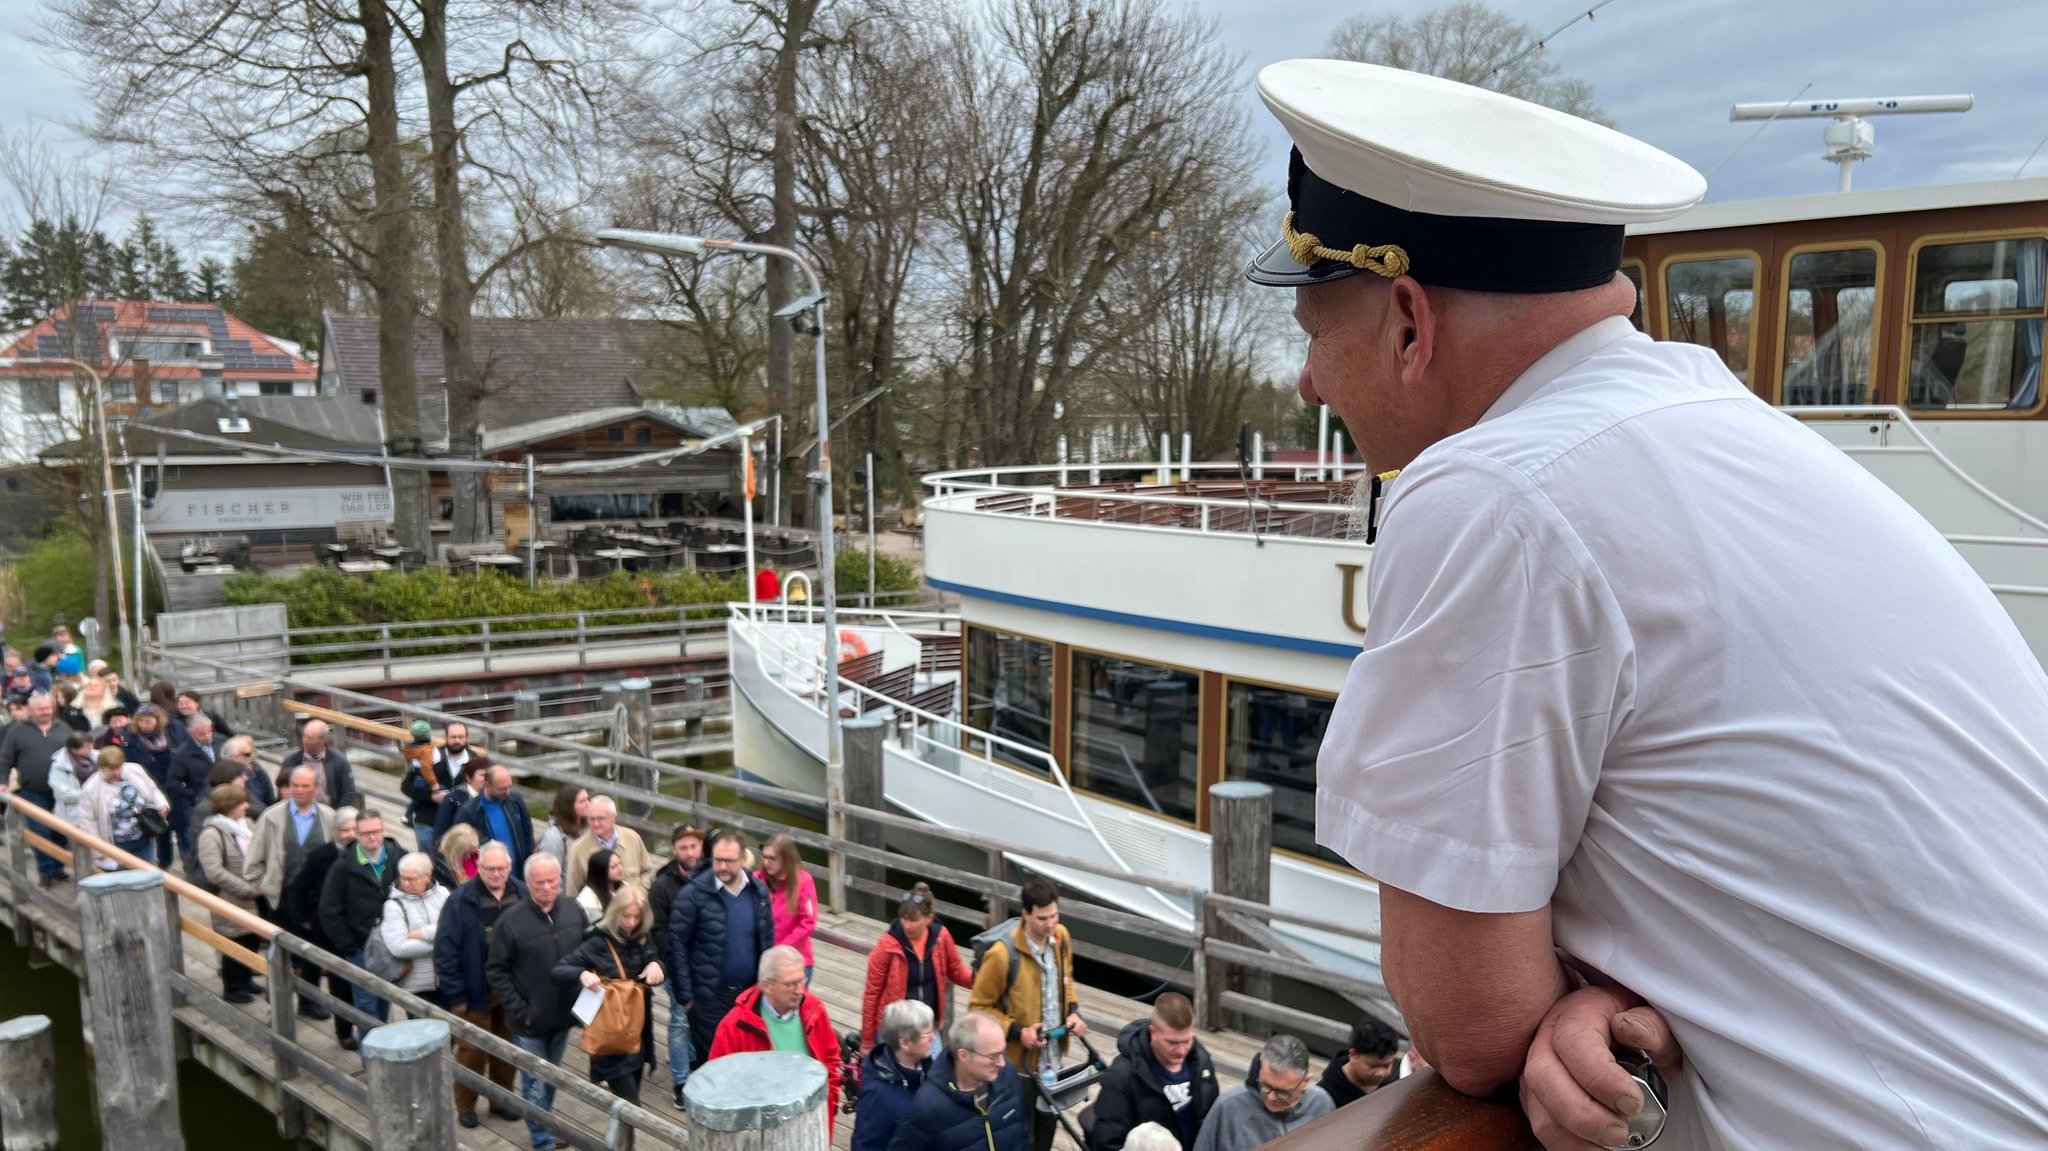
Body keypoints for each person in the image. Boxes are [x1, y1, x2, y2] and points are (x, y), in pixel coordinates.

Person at [1256, 59, 2048, 1151]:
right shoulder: (1727, 427)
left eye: (1309, 328)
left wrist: (1561, 995)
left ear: (1406, 319)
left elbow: (1469, 1029)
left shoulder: (1488, 493)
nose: (1307, 383)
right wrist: (1596, 984)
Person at [969, 876, 1085, 1151]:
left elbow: (1066, 979)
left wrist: (1073, 1012)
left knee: (1046, 1134)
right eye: (1043, 918)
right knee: (1019, 1140)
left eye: (1054, 916)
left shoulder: (1062, 938)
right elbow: (978, 1008)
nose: (1050, 924)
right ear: (1025, 914)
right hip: (1017, 1069)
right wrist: (1019, 1032)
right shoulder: (1001, 955)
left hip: (1052, 1061)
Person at [487, 853, 587, 1151]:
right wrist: (521, 1010)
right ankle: (542, 1140)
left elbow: (587, 950)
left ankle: (544, 1124)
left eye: (552, 880)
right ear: (528, 883)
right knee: (534, 1082)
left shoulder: (573, 909)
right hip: (530, 1021)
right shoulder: (510, 922)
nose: (547, 887)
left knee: (551, 1077)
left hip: (564, 1016)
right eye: (539, 882)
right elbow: (496, 971)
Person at [667, 828, 773, 1074]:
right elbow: (676, 945)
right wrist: (687, 999)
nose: (723, 866)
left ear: (742, 858)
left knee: (751, 1063)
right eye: (718, 860)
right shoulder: (691, 895)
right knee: (714, 1067)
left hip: (750, 995)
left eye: (729, 861)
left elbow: (768, 941)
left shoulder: (758, 892)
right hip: (708, 999)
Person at [435, 841, 525, 1130]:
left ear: (510, 867)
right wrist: (455, 993)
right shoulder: (460, 900)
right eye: (490, 868)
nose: (497, 874)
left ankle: (501, 1100)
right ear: (479, 867)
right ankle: (465, 1105)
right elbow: (445, 950)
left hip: (511, 991)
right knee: (471, 1051)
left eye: (502, 868)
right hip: (474, 990)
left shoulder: (523, 894)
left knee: (506, 1048)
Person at [552, 885, 665, 1103]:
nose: (631, 923)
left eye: (636, 917)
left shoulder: (642, 937)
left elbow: (654, 956)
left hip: (637, 1034)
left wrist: (656, 964)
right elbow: (558, 970)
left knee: (624, 1109)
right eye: (626, 916)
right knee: (631, 1106)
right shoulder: (597, 942)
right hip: (610, 1037)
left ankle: (619, 1138)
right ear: (616, 913)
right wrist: (582, 973)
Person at [707, 945, 842, 1122]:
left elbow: (831, 1058)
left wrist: (829, 1105)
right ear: (767, 986)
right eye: (790, 984)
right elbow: (717, 1084)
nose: (799, 990)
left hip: (812, 1123)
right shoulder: (734, 1026)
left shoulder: (815, 1010)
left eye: (802, 981)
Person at [1088, 993, 1217, 1151]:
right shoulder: (1122, 1076)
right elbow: (1107, 1142)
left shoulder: (1202, 1063)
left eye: (1187, 1040)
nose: (1181, 1050)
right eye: (1172, 1042)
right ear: (1153, 1032)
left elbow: (1213, 1121)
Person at [887, 1011, 1028, 1151]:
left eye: (1003, 1052)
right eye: (993, 1056)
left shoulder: (1007, 1073)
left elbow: (1022, 1134)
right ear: (964, 1055)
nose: (1002, 1063)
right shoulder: (926, 1108)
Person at [283, 807, 361, 1044]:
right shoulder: (320, 856)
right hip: (327, 930)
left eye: (354, 829)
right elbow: (296, 889)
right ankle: (344, 1032)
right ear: (335, 832)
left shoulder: (364, 854)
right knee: (340, 984)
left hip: (358, 928)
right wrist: (304, 920)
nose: (349, 834)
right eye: (344, 830)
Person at [862, 883, 974, 1049]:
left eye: (913, 920)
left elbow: (956, 971)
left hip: (927, 1025)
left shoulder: (941, 937)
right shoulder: (887, 945)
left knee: (935, 1071)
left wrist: (982, 979)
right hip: (897, 1028)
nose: (907, 925)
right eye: (904, 918)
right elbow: (872, 993)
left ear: (928, 919)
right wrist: (867, 1039)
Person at [318, 807, 398, 1026]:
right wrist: (349, 946)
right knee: (366, 1007)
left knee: (385, 1000)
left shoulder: (398, 857)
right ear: (357, 834)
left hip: (390, 944)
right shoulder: (342, 867)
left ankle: (382, 1052)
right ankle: (370, 1059)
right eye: (366, 833)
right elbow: (329, 910)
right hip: (360, 946)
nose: (372, 837)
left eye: (377, 831)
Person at [647, 822, 706, 1108]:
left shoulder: (713, 876)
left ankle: (700, 1070)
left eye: (694, 845)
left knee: (706, 1020)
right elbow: (656, 931)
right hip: (678, 966)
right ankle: (681, 1082)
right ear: (674, 850)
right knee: (680, 1022)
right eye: (683, 847)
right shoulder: (662, 885)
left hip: (709, 967)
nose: (690, 852)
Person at [1189, 1035, 1330, 1151]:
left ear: (1306, 1081)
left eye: (1283, 1092)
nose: (1271, 1097)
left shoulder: (1322, 1105)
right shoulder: (1228, 1107)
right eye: (1265, 1085)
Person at [196, 782, 265, 1003]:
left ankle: (246, 980)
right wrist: (246, 889)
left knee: (251, 940)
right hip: (231, 898)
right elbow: (214, 871)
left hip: (255, 896)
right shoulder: (212, 833)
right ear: (229, 806)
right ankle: (233, 988)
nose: (246, 805)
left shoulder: (247, 826)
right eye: (241, 803)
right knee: (234, 943)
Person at [245, 767, 338, 914]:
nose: (299, 790)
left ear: (316, 789)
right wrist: (266, 887)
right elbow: (253, 860)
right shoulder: (270, 817)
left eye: (305, 786)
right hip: (281, 899)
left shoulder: (330, 817)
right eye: (295, 785)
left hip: (319, 899)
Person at [0, 693, 71, 884]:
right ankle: (46, 871)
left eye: (48, 708)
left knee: (61, 831)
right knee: (40, 832)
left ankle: (58, 867)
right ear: (31, 710)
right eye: (41, 709)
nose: (46, 712)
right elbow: (5, 759)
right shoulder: (17, 731)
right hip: (33, 791)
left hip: (61, 792)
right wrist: (3, 781)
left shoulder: (63, 727)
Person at [852, 999, 936, 1151]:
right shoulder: (877, 1094)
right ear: (905, 1043)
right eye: (927, 1035)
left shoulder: (930, 1068)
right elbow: (866, 1145)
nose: (933, 1038)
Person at [78, 744, 171, 867]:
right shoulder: (91, 789)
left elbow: (153, 790)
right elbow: (88, 824)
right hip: (116, 846)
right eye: (111, 769)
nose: (116, 772)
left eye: (118, 767)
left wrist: (161, 804)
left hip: (144, 839)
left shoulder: (135, 770)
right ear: (101, 767)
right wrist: (100, 853)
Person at [376, 851, 448, 1001]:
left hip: (445, 980)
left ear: (427, 876)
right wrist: (440, 944)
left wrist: (423, 933)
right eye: (403, 878)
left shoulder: (443, 894)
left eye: (412, 879)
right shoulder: (393, 906)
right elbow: (399, 947)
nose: (406, 883)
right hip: (415, 986)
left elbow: (453, 928)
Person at [756, 832, 817, 982]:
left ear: (785, 859)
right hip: (762, 960)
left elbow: (808, 922)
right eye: (764, 857)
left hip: (795, 960)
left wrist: (781, 948)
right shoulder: (756, 880)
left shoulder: (803, 881)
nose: (766, 862)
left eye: (772, 858)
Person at [457, 764, 536, 873]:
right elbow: (463, 849)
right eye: (502, 789)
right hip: (491, 875)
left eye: (510, 787)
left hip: (519, 874)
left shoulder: (515, 800)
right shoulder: (469, 812)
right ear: (487, 785)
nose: (508, 792)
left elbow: (527, 831)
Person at [566, 795, 652, 895]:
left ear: (614, 818)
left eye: (600, 819)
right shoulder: (578, 849)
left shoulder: (633, 838)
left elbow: (647, 871)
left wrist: (641, 893)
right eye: (591, 819)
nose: (596, 824)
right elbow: (573, 890)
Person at [1315, 1016, 1401, 1108]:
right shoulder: (1324, 1098)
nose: (1381, 1073)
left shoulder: (1397, 1079)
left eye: (1387, 1065)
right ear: (1353, 1055)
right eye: (1373, 1066)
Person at [168, 712, 224, 840]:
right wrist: (195, 795)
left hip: (228, 796)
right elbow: (173, 783)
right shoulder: (182, 755)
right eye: (202, 734)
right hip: (203, 803)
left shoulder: (221, 741)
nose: (208, 736)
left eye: (209, 732)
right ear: (191, 734)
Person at [280, 719, 357, 809]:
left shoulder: (339, 761)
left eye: (310, 738)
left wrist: (337, 815)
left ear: (322, 740)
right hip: (297, 810)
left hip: (330, 812)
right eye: (304, 736)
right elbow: (282, 789)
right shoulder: (291, 760)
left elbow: (348, 792)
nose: (305, 740)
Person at [397, 720, 444, 858]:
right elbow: (406, 787)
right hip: (425, 820)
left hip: (449, 820)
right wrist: (431, 795)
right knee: (427, 858)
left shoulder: (414, 750)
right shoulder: (429, 752)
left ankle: (407, 815)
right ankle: (407, 815)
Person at [432, 755, 491, 846]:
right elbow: (440, 836)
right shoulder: (452, 800)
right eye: (482, 775)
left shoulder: (493, 799)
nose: (486, 779)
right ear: (468, 777)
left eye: (489, 775)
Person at [535, 785, 587, 876]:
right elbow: (550, 875)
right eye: (582, 801)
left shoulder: (587, 827)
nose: (588, 804)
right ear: (569, 807)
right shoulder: (554, 839)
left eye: (588, 799)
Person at [575, 847, 624, 919]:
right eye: (614, 867)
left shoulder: (625, 887)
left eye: (620, 864)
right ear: (601, 871)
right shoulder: (586, 900)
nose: (620, 869)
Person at [436, 821, 481, 888]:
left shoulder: (477, 854)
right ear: (456, 853)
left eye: (473, 851)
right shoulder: (440, 867)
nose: (469, 856)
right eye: (466, 854)